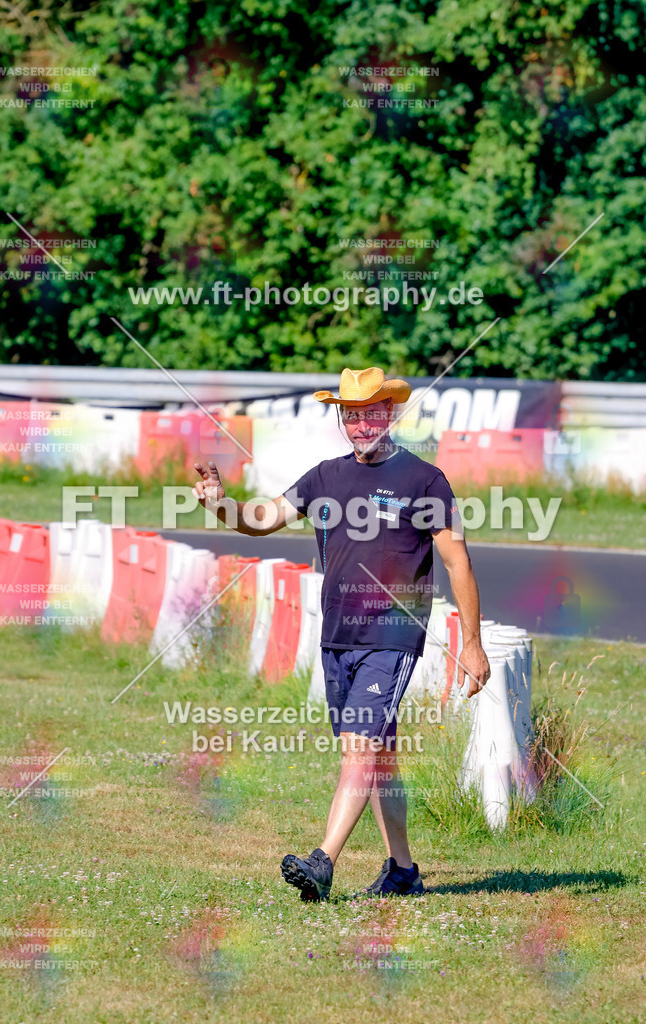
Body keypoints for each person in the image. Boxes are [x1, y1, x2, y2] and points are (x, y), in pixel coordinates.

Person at [193, 366, 490, 901]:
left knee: (360, 745)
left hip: (393, 637)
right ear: (342, 419)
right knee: (380, 758)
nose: (361, 424)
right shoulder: (325, 477)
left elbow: (458, 562)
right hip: (337, 638)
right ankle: (403, 871)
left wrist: (471, 642)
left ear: (391, 413)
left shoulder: (425, 481)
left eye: (372, 412)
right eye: (351, 415)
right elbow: (262, 518)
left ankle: (323, 861)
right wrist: (219, 502)